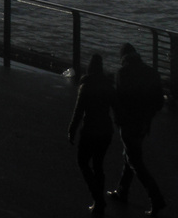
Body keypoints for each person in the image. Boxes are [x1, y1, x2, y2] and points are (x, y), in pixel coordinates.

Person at [109, 43, 167, 215]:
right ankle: (122, 191)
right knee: (130, 156)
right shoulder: (152, 73)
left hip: (128, 124)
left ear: (123, 58)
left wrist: (118, 119)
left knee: (135, 162)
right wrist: (147, 114)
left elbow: (118, 101)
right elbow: (159, 102)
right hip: (143, 124)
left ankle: (156, 198)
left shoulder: (122, 74)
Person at [69, 53, 117, 215]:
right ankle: (98, 201)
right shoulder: (109, 86)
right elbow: (116, 109)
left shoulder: (86, 84)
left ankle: (98, 199)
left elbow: (78, 111)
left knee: (83, 162)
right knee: (98, 165)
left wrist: (72, 130)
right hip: (105, 130)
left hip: (90, 129)